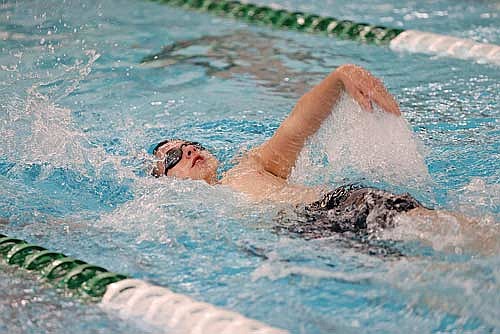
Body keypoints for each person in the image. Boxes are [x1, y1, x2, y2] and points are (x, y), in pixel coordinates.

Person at [149, 64, 498, 251]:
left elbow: (297, 126)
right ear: (164, 180)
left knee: (473, 239)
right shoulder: (179, 217)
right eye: (175, 156)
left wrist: (338, 77)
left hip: (346, 207)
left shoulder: (247, 168)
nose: (190, 151)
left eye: (191, 144)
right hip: (316, 239)